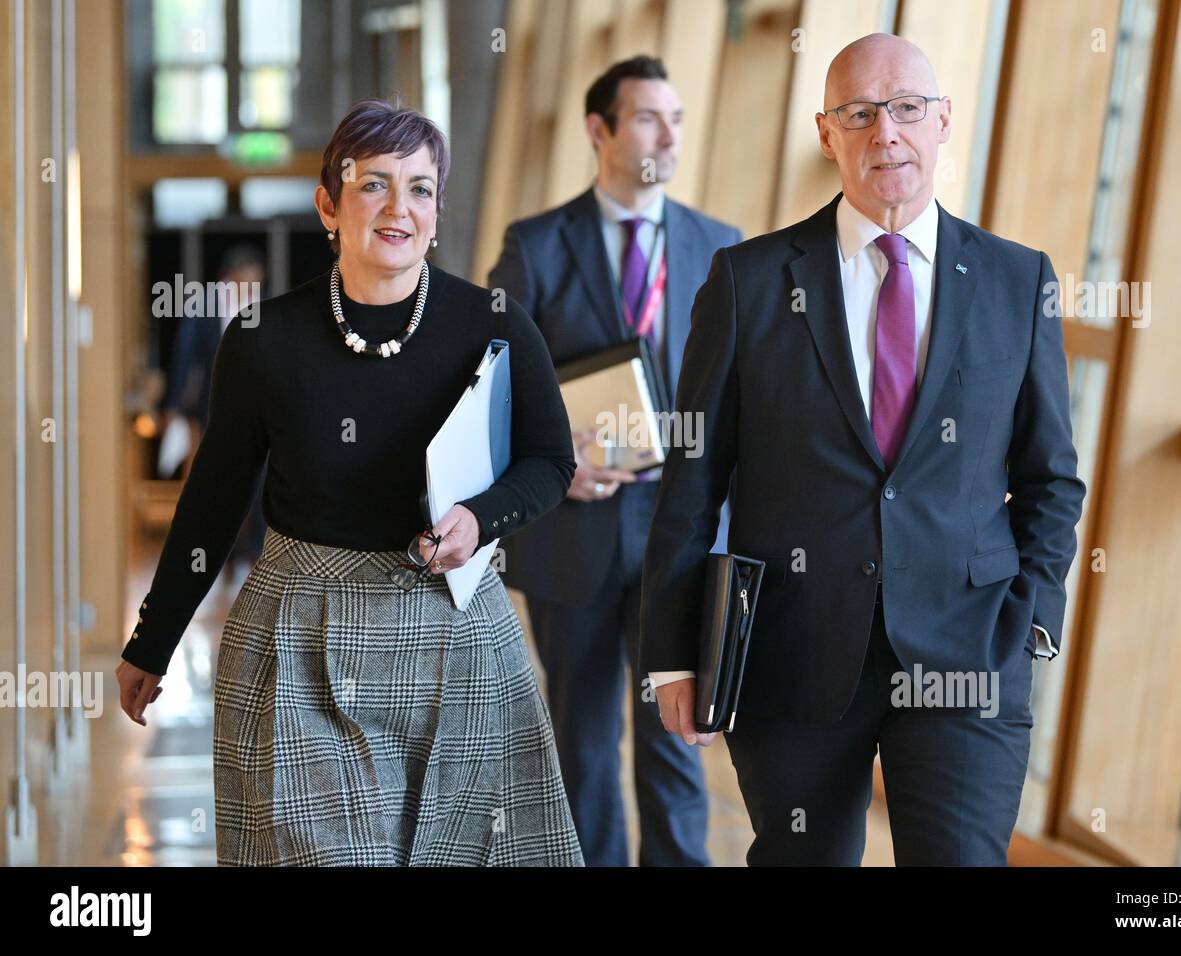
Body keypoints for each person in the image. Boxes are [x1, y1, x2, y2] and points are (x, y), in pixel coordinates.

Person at [639, 34, 1086, 866]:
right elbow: (694, 476)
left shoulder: (1018, 281)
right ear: (825, 132)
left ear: (943, 120)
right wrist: (672, 652)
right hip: (794, 650)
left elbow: (1051, 477)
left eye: (907, 108)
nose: (887, 132)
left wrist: (1033, 619)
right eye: (860, 113)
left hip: (969, 649)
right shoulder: (747, 282)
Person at [116, 96, 584, 867]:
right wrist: (154, 639)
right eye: (374, 184)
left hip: (455, 632)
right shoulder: (263, 340)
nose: (400, 207)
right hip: (300, 636)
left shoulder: (495, 323)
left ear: (438, 209)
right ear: (329, 205)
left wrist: (480, 519)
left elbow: (550, 460)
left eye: (422, 187)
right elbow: (213, 501)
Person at [489, 55, 741, 866]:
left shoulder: (720, 248)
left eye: (676, 118)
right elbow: (494, 389)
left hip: (683, 534)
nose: (668, 134)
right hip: (575, 527)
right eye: (646, 118)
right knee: (583, 747)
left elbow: (748, 400)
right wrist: (555, 465)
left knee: (678, 739)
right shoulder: (534, 246)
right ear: (599, 130)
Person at [158, 244, 267, 578]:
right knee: (221, 482)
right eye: (244, 280)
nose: (250, 285)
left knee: (261, 483)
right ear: (229, 277)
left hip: (261, 409)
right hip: (215, 408)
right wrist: (174, 405)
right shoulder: (205, 306)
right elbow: (186, 357)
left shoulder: (268, 306)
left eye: (255, 280)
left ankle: (255, 552)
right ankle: (225, 553)